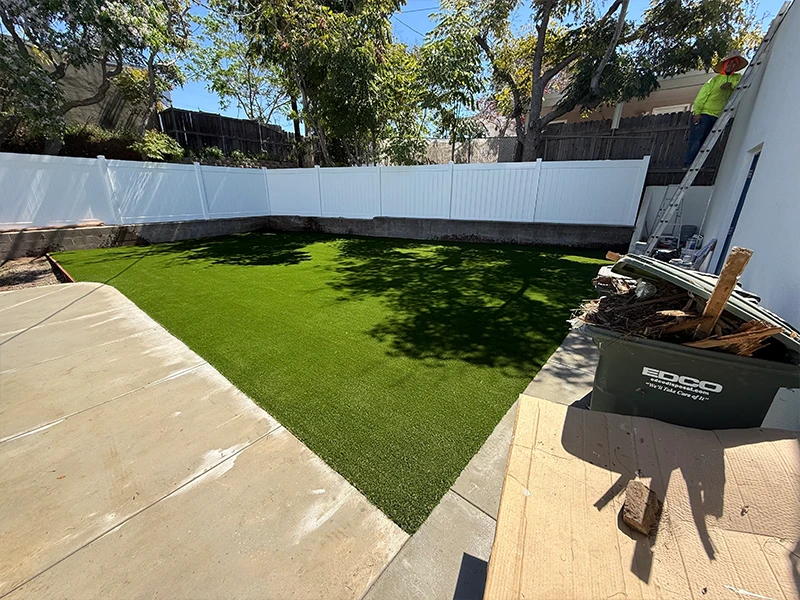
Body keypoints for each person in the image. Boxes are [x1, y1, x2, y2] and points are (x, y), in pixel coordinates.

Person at [683, 51, 749, 168]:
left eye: (734, 63)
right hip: (704, 114)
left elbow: (739, 86)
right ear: (724, 65)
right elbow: (701, 97)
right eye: (729, 63)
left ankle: (698, 165)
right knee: (696, 140)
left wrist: (730, 86)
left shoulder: (736, 78)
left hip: (718, 116)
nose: (731, 65)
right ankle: (689, 164)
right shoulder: (714, 80)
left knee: (706, 143)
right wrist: (697, 113)